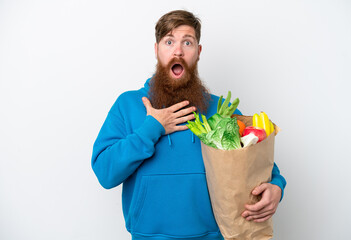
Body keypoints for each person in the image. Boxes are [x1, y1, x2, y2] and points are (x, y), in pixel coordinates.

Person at [91, 10, 286, 240]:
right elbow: (105, 172)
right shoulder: (128, 105)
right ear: (156, 50)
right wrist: (152, 128)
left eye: (187, 42)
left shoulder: (222, 110)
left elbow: (256, 165)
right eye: (169, 41)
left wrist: (277, 187)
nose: (178, 50)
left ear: (198, 52)